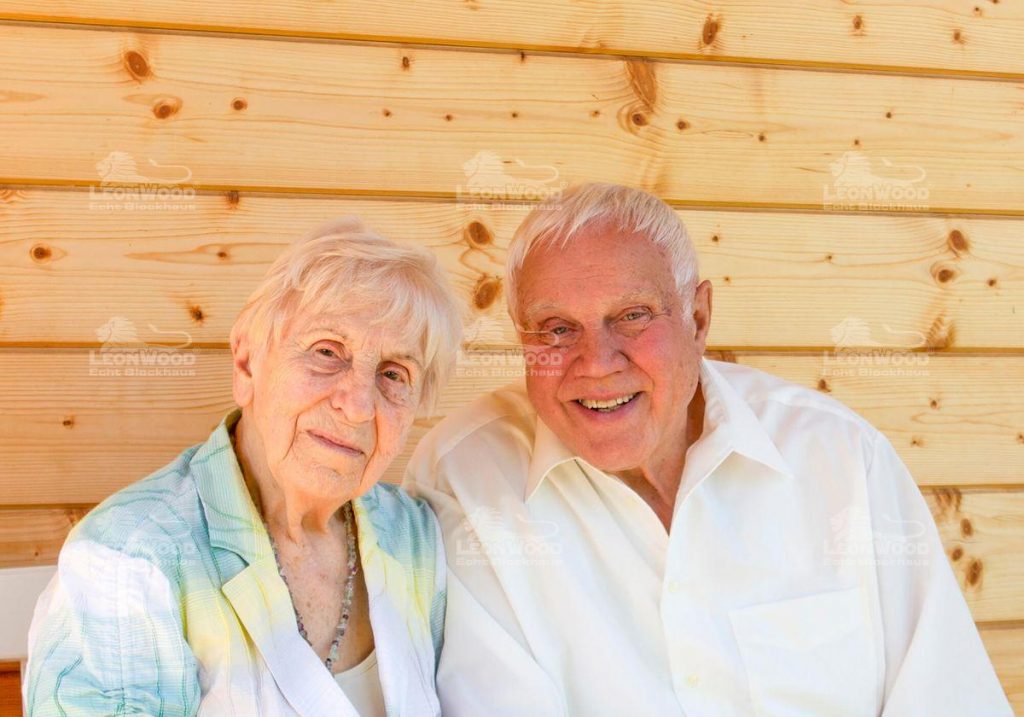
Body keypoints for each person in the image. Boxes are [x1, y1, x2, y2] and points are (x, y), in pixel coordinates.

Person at [405, 183, 1012, 716]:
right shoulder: (464, 479)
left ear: (698, 318)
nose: (596, 363)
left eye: (633, 316)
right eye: (557, 330)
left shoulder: (842, 459)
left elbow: (947, 699)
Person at [25, 217, 463, 716]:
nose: (359, 404)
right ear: (247, 364)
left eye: (393, 374)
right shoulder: (130, 560)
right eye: (327, 352)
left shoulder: (413, 536)